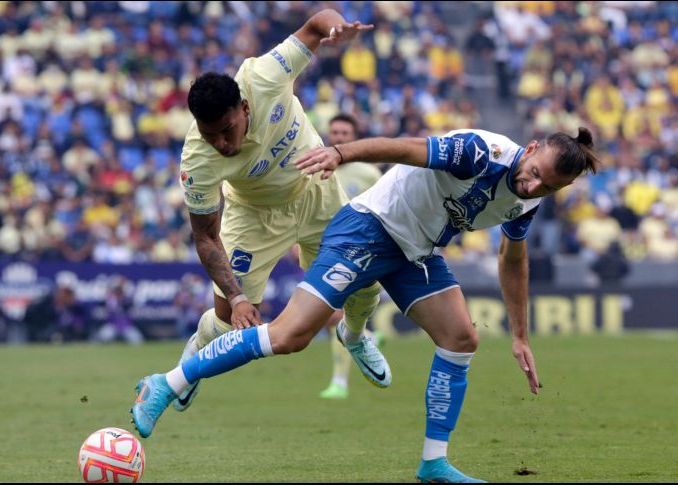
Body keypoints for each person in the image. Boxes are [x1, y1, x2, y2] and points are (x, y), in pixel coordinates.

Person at [132, 126, 600, 483]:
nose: (533, 186)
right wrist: (341, 153)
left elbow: (512, 258)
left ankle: (434, 464)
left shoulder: (528, 201)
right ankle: (166, 383)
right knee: (290, 336)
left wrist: (520, 335)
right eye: (534, 173)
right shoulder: (480, 152)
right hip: (369, 228)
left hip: (416, 253)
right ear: (530, 148)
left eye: (547, 187)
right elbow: (404, 148)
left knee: (461, 338)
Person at [169, 9, 387, 414]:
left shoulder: (264, 76)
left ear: (244, 108)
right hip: (255, 214)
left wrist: (336, 27)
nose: (221, 144)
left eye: (227, 130)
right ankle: (193, 358)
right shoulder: (197, 161)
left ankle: (354, 336)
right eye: (210, 135)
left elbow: (316, 23)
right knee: (226, 324)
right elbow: (205, 237)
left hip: (316, 189)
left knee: (366, 280)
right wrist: (236, 298)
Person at [318, 113, 384, 400]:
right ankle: (367, 337)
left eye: (345, 133)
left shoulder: (369, 173)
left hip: (360, 252)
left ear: (354, 137)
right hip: (322, 248)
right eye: (335, 132)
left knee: (335, 317)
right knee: (328, 318)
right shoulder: (319, 166)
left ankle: (339, 383)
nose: (339, 137)